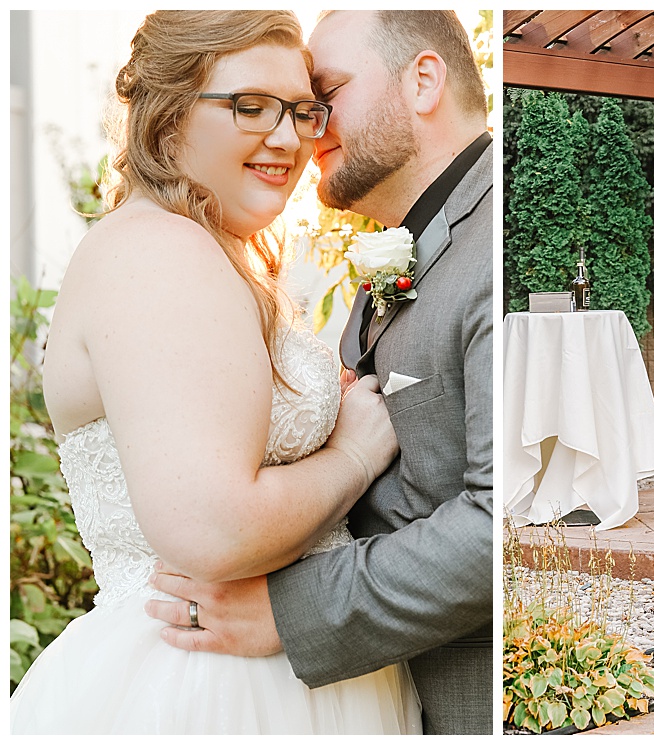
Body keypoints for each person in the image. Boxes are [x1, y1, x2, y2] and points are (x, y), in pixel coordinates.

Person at [11, 11, 419, 734]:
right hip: (207, 687)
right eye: (250, 106)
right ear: (168, 118)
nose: (290, 138)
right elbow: (215, 528)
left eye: (301, 110)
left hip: (272, 663)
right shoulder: (159, 252)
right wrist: (353, 454)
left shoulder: (199, 245)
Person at [141, 11, 495, 734]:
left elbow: (502, 523)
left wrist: (289, 609)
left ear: (423, 80)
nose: (307, 127)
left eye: (322, 96)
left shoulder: (491, 244)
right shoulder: (403, 247)